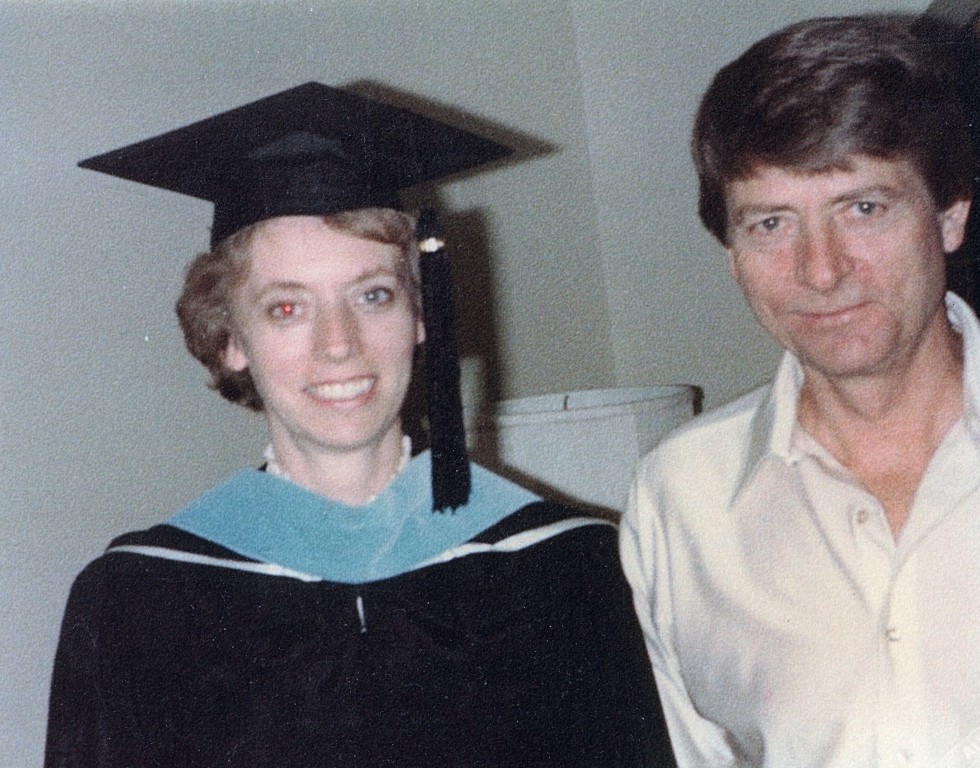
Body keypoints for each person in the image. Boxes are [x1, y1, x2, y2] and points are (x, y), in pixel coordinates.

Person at [46, 82, 675, 767]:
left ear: (421, 316)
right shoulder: (138, 602)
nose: (339, 344)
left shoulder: (567, 571)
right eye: (287, 308)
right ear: (229, 340)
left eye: (373, 295)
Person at [620, 15, 980, 768]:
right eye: (770, 224)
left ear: (950, 215)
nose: (822, 271)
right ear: (731, 255)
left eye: (863, 209)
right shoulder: (679, 500)